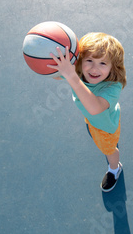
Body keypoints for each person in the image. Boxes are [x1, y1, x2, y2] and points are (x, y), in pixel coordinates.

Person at [48, 32, 127, 192]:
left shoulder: (112, 87)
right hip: (90, 117)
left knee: (109, 150)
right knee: (89, 117)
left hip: (105, 128)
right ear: (80, 61)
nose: (94, 68)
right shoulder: (78, 74)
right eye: (89, 60)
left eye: (103, 63)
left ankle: (114, 168)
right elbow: (56, 76)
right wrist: (54, 61)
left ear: (113, 66)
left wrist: (71, 76)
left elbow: (95, 108)